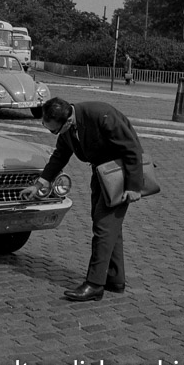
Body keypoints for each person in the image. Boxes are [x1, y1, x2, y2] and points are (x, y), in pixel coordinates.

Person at [20, 97, 144, 302]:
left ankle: (95, 285)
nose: (52, 133)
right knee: (109, 227)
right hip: (102, 175)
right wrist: (39, 184)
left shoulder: (102, 115)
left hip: (119, 175)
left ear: (67, 121)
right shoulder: (67, 126)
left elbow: (131, 149)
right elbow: (60, 155)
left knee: (103, 227)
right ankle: (115, 279)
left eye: (52, 130)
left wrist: (133, 187)